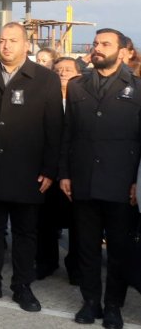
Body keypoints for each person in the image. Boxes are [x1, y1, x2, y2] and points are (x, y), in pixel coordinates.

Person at [0, 22, 63, 313]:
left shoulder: (45, 79)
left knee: (25, 232)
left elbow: (54, 127)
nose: (6, 45)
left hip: (28, 171)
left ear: (26, 44)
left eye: (13, 40)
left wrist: (50, 168)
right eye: (2, 40)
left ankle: (22, 285)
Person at [60, 29, 140, 328]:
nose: (97, 48)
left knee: (119, 250)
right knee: (86, 247)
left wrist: (137, 183)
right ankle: (90, 301)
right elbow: (67, 135)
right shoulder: (79, 86)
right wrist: (65, 173)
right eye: (95, 44)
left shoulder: (137, 88)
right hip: (83, 181)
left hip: (121, 184)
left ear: (123, 52)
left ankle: (113, 306)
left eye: (105, 44)